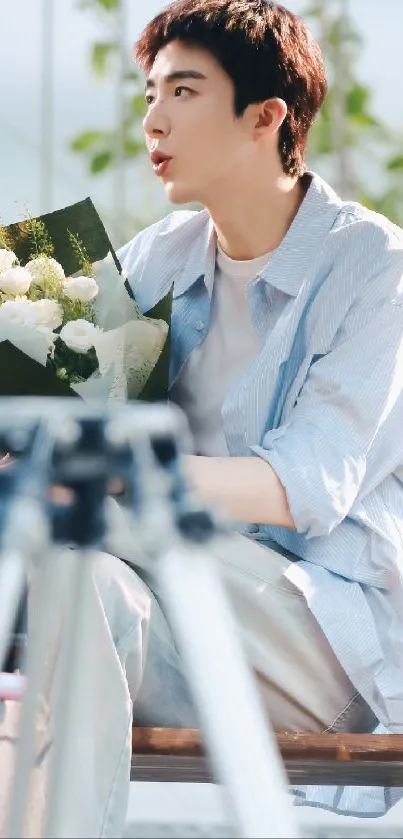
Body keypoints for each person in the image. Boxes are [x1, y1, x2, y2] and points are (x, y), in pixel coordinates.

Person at [22, 0, 403, 835]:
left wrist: (100, 469)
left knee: (80, 503)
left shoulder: (372, 264)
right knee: (72, 578)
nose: (152, 120)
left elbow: (307, 483)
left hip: (315, 638)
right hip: (175, 614)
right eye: (149, 94)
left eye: (183, 93)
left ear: (268, 116)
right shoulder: (161, 253)